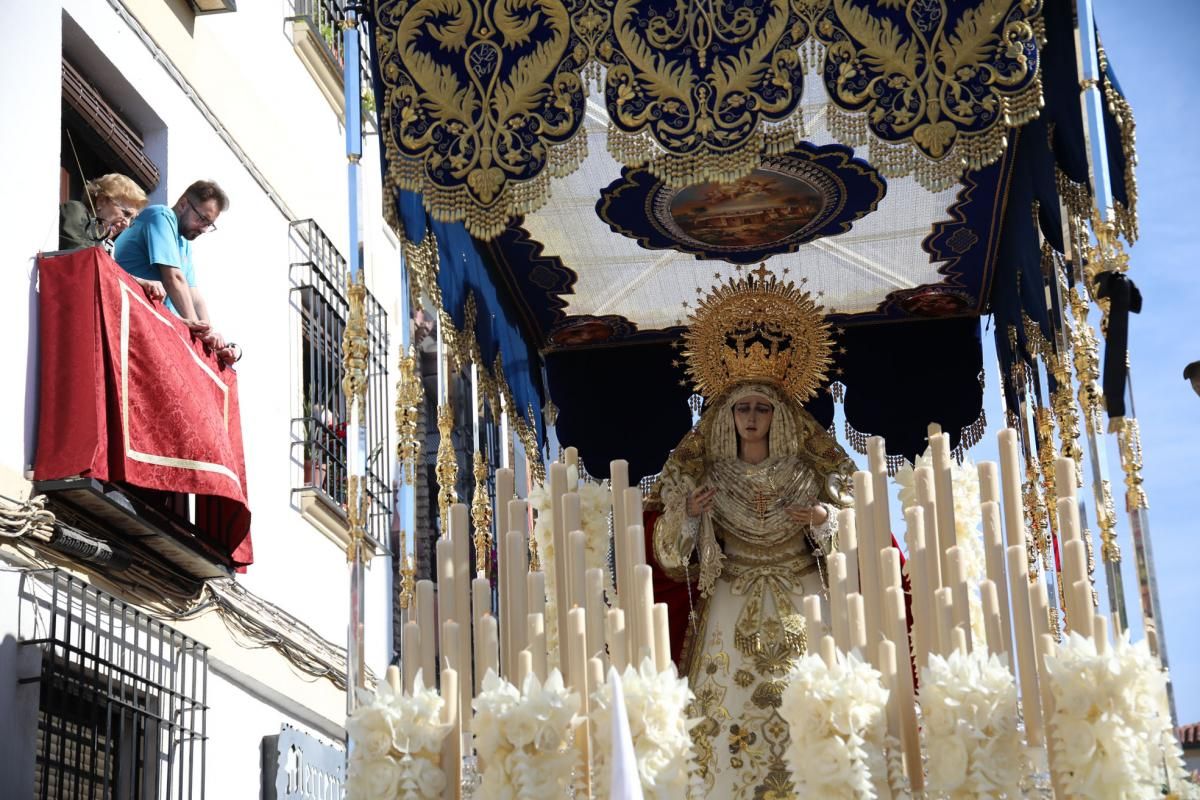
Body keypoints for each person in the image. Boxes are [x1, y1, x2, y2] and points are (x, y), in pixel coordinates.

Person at [648, 269, 855, 798]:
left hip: (803, 595)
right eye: (742, 407)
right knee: (727, 718)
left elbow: (860, 521)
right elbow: (672, 559)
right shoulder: (711, 480)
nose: (752, 417)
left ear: (780, 415)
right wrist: (690, 516)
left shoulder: (807, 475)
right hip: (731, 599)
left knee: (808, 707)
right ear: (726, 416)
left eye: (762, 407)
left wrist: (826, 521)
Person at [114, 179, 240, 364]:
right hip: (128, 319)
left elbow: (195, 296)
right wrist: (198, 333)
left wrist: (210, 336)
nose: (203, 229)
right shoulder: (160, 215)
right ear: (183, 204)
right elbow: (174, 278)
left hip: (153, 328)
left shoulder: (184, 244)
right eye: (202, 219)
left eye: (209, 225)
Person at [59, 174, 163, 302]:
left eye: (132, 219)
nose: (127, 224)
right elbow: (85, 262)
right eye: (126, 214)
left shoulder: (107, 244)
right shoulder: (75, 209)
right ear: (101, 201)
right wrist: (137, 281)